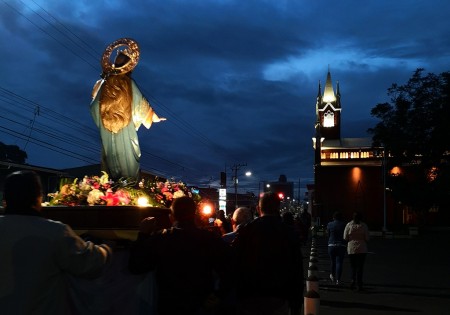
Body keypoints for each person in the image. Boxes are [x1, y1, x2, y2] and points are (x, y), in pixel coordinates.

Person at [0, 170, 112, 314]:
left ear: (6, 199)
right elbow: (89, 263)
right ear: (38, 198)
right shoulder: (54, 231)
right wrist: (107, 248)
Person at [128, 196, 234, 315]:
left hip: (170, 306)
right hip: (201, 304)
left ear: (171, 217)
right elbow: (230, 268)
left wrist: (143, 234)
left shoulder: (161, 239)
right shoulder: (209, 239)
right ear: (194, 215)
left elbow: (136, 266)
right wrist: (219, 295)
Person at [90, 38, 166, 180]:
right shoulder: (116, 82)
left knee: (119, 154)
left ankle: (119, 183)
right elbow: (140, 103)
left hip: (117, 126)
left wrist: (152, 116)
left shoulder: (116, 83)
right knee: (119, 156)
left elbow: (95, 105)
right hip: (117, 126)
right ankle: (119, 183)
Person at [232, 192, 304, 315]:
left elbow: (234, 262)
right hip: (279, 295)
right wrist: (296, 303)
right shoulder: (288, 232)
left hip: (249, 294)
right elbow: (296, 268)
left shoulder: (247, 230)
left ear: (258, 209)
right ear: (277, 208)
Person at [343, 211, 370, 291]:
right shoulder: (364, 225)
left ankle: (352, 280)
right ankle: (359, 283)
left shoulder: (348, 225)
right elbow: (367, 238)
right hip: (362, 248)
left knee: (353, 266)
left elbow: (345, 237)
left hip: (351, 248)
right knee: (360, 267)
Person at [326, 211, 347, 285]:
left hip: (331, 245)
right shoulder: (344, 225)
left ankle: (332, 275)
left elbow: (328, 234)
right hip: (341, 245)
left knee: (333, 261)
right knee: (339, 262)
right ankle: (338, 280)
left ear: (333, 217)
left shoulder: (329, 224)